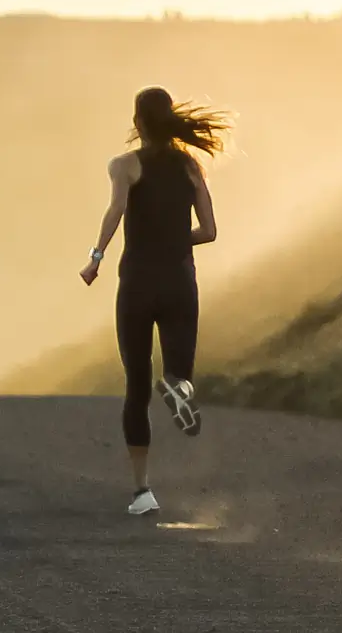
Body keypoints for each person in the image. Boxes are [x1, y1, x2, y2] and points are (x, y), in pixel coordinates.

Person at [80, 86, 225, 516]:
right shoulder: (190, 165)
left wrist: (96, 259)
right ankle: (179, 386)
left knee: (137, 387)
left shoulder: (124, 166)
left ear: (137, 122)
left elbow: (116, 211)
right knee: (178, 372)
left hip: (138, 283)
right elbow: (210, 230)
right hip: (180, 280)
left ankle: (143, 492)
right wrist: (176, 238)